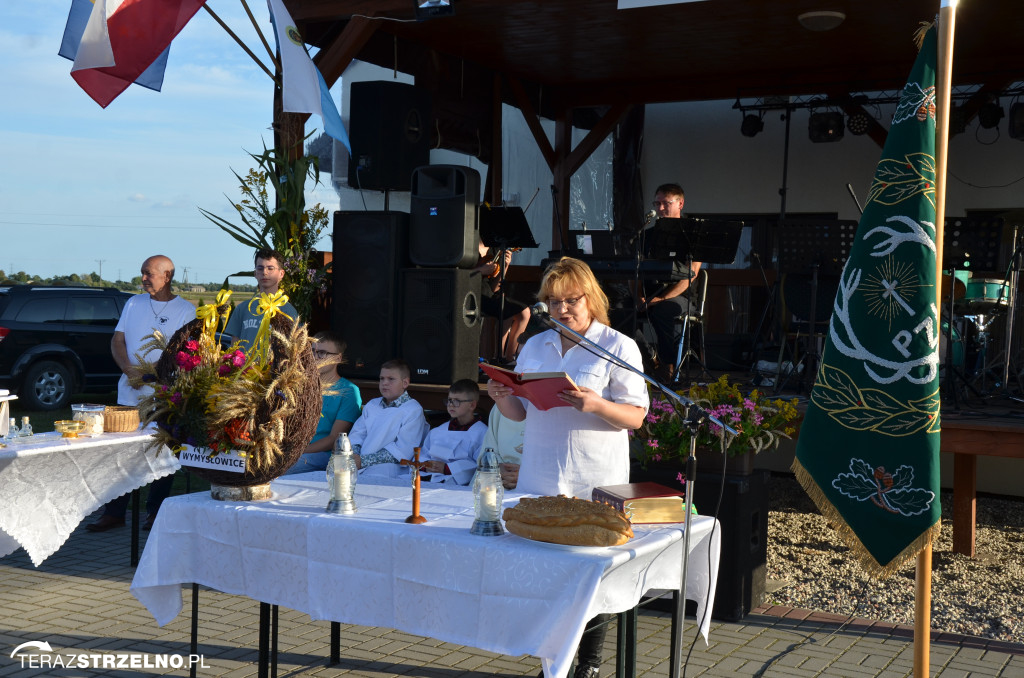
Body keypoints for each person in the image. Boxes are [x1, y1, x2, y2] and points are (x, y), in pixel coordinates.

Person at [487, 256, 649, 678]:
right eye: (552, 302)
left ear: (591, 297)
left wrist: (594, 403)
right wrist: (500, 394)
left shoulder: (617, 345)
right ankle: (553, 661)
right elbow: (520, 413)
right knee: (547, 571)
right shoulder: (535, 345)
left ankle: (589, 664)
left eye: (570, 300)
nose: (561, 310)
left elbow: (635, 416)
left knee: (592, 570)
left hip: (595, 471)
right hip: (542, 468)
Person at [86, 255, 195, 533]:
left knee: (163, 454)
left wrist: (147, 374)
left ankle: (155, 511)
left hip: (164, 394)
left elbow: (177, 351)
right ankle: (115, 512)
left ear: (167, 276)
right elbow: (117, 339)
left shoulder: (185, 309)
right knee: (121, 455)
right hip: (129, 395)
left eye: (149, 274)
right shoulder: (133, 303)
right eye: (142, 273)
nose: (143, 278)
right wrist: (128, 369)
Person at [642, 184, 702, 382]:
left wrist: (660, 298)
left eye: (665, 203)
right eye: (657, 203)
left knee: (663, 311)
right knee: (617, 312)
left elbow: (690, 276)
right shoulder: (646, 236)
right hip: (649, 294)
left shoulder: (693, 234)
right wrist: (638, 297)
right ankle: (648, 358)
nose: (660, 208)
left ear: (680, 204)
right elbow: (632, 271)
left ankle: (668, 365)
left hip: (680, 297)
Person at [283, 331, 362, 475]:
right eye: (312, 351)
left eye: (322, 353)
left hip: (323, 454)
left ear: (338, 358)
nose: (315, 357)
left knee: (279, 469)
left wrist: (297, 452)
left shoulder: (349, 391)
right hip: (292, 450)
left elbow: (334, 440)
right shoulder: (300, 384)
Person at [348, 358, 429, 476]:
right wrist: (354, 456)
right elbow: (357, 435)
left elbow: (403, 450)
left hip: (393, 468)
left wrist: (364, 461)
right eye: (382, 378)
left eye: (391, 379)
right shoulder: (372, 405)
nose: (385, 383)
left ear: (405, 383)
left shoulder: (413, 410)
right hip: (359, 463)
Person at [223, 248, 299, 349]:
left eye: (270, 268)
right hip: (245, 365)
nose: (265, 272)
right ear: (255, 273)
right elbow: (234, 348)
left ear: (281, 274)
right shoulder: (243, 308)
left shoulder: (288, 311)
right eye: (260, 268)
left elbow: (294, 348)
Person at [420, 379, 488, 485]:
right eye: (449, 400)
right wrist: (426, 465)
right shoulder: (438, 431)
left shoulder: (482, 433)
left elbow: (480, 465)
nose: (451, 405)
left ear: (472, 405)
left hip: (457, 483)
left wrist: (447, 469)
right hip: (428, 478)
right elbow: (424, 454)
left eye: (457, 401)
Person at [475, 240, 531, 364]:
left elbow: (494, 288)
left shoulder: (495, 250)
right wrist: (481, 271)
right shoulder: (467, 246)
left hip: (487, 294)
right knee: (505, 311)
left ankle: (509, 358)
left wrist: (505, 266)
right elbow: (460, 275)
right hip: (469, 293)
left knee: (524, 312)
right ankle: (495, 357)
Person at [479, 403, 525, 490]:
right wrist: (496, 469)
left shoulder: (557, 406)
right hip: (497, 483)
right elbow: (489, 448)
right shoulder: (502, 403)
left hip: (538, 488)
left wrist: (528, 475)